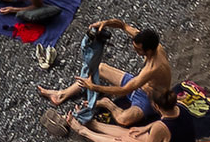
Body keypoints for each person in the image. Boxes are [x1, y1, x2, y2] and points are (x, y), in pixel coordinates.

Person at [39, 19, 171, 124]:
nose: (135, 51)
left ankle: (107, 103)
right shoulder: (151, 43)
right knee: (100, 68)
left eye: (138, 50)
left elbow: (125, 89)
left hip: (149, 98)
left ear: (148, 50)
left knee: (123, 119)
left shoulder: (153, 68)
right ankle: (62, 94)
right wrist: (105, 23)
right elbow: (122, 25)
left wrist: (94, 87)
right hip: (138, 85)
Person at [63, 85, 199, 142]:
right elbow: (165, 125)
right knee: (132, 133)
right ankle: (93, 124)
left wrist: (129, 140)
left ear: (157, 106)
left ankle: (83, 131)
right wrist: (145, 129)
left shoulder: (160, 127)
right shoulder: (181, 108)